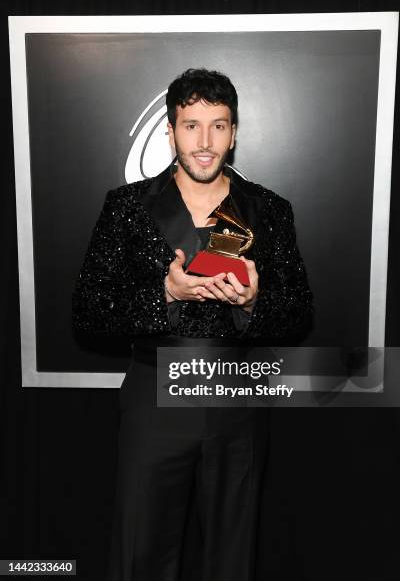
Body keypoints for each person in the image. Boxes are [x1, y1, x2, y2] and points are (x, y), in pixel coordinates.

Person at [72, 68, 313, 581]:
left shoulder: (267, 210)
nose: (205, 143)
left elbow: (299, 313)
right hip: (153, 399)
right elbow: (88, 309)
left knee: (232, 552)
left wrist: (252, 303)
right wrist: (165, 293)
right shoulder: (127, 207)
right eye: (191, 126)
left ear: (234, 132)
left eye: (218, 126)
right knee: (142, 549)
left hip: (236, 400)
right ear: (170, 130)